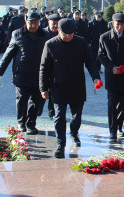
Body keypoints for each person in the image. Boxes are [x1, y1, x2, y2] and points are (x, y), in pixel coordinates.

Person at [39, 18, 101, 158]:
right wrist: (43, 88)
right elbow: (44, 68)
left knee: (76, 115)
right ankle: (61, 144)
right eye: (65, 34)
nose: (68, 37)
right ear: (58, 31)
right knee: (59, 116)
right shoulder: (50, 44)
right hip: (58, 86)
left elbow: (90, 61)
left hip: (77, 84)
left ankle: (74, 132)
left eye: (71, 34)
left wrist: (95, 77)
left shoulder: (81, 42)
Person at [0, 12, 50, 134]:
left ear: (39, 23)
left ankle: (31, 124)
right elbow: (8, 53)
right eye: (30, 23)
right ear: (26, 22)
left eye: (35, 23)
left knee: (36, 101)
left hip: (39, 74)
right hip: (22, 73)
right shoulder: (17, 34)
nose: (33, 25)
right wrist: (0, 70)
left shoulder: (45, 35)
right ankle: (21, 122)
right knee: (21, 100)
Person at [98, 13, 124, 140]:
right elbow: (101, 55)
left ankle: (119, 126)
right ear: (112, 23)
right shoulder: (104, 37)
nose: (119, 27)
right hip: (112, 75)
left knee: (122, 102)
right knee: (111, 103)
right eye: (117, 24)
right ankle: (112, 129)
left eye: (122, 24)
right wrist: (110, 67)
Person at [41, 13, 62, 119]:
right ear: (48, 23)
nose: (55, 26)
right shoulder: (42, 33)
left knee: (53, 91)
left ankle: (52, 111)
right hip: (44, 66)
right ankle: (38, 110)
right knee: (42, 90)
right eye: (53, 24)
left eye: (57, 24)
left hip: (56, 67)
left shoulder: (62, 33)